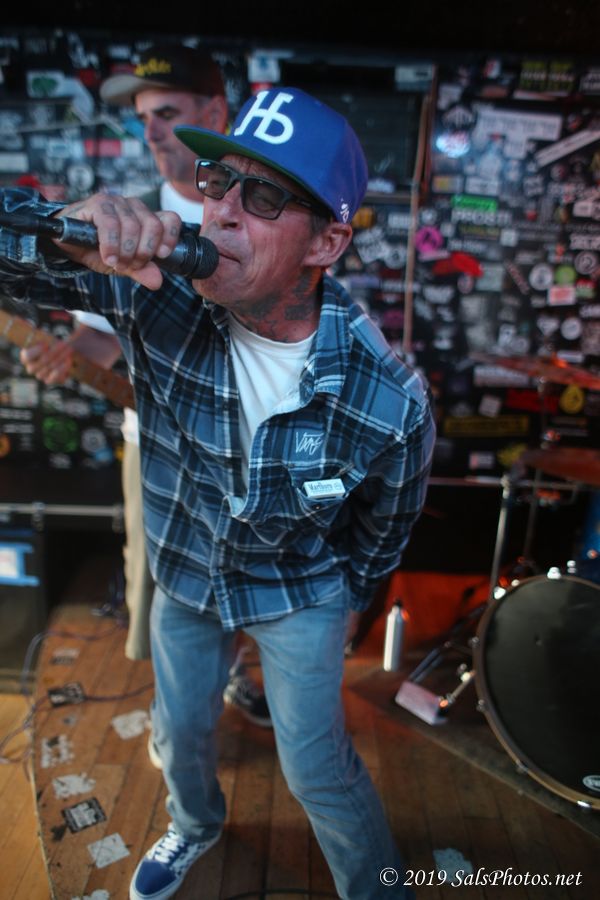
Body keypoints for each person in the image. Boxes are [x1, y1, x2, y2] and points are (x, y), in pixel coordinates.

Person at [0, 86, 435, 899]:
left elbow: (386, 526)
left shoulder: (389, 400)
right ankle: (194, 827)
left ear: (328, 241)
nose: (223, 212)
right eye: (218, 181)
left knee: (316, 767)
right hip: (187, 570)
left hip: (297, 590)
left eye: (263, 197)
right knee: (179, 735)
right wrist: (62, 232)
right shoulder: (152, 289)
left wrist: (349, 602)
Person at [18, 43, 271, 727]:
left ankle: (233, 674)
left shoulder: (259, 217)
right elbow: (104, 338)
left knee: (253, 581)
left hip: (254, 447)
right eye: (143, 118)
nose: (151, 132)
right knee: (158, 588)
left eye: (167, 113)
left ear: (213, 113)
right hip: (159, 447)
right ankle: (178, 712)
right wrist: (68, 351)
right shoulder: (127, 222)